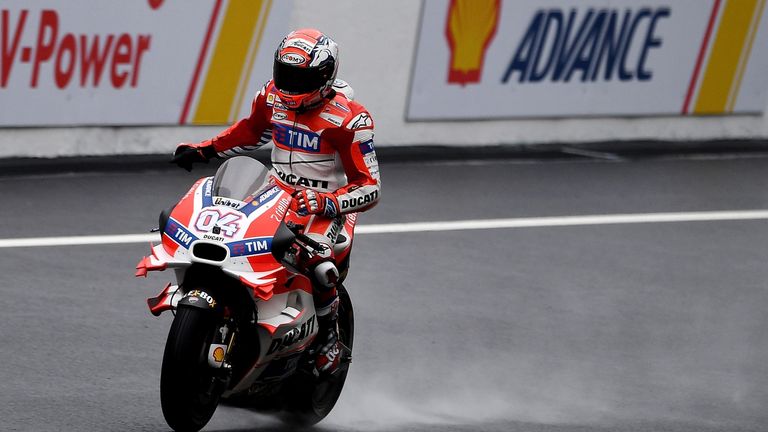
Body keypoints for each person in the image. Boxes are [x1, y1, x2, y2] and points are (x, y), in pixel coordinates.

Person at [171, 28, 381, 375]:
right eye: (286, 75)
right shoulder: (271, 97)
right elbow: (250, 132)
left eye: (301, 78)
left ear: (325, 77)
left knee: (319, 263)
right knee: (224, 228)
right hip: (274, 190)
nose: (290, 86)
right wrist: (205, 148)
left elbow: (369, 186)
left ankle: (331, 340)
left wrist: (326, 201)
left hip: (327, 204)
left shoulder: (351, 121)